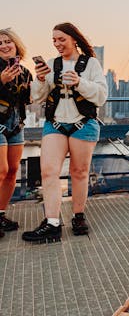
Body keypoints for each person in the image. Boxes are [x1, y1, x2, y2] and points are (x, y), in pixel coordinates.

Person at [22, 23, 107, 243]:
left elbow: (100, 96)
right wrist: (40, 80)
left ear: (73, 39)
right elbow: (38, 98)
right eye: (54, 41)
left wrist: (79, 82)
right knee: (49, 171)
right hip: (56, 123)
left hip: (83, 123)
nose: (57, 44)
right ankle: (52, 222)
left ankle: (78, 216)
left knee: (79, 172)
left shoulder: (91, 64)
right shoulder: (52, 64)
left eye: (61, 39)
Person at [0, 29, 32, 238]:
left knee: (12, 172)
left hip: (16, 125)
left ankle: (1, 214)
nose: (3, 45)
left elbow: (28, 100)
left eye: (7, 41)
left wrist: (38, 82)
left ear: (16, 44)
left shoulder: (24, 71)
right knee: (0, 170)